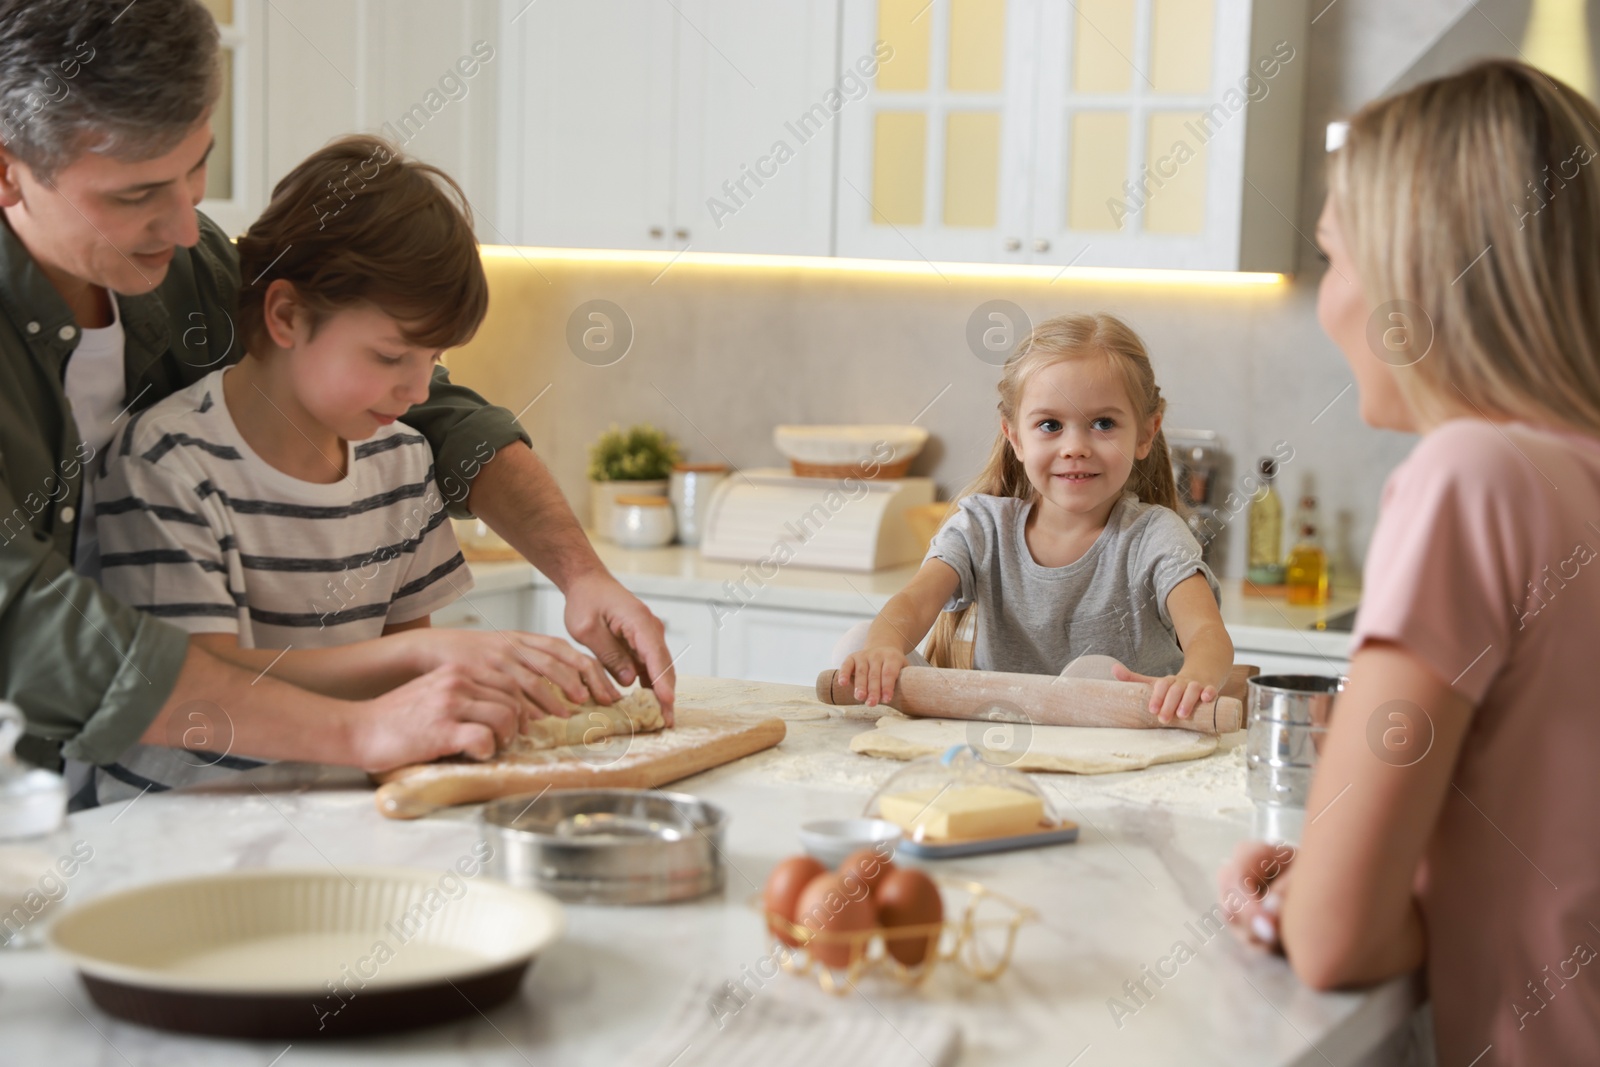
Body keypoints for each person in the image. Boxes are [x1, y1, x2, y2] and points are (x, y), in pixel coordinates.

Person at [0, 0, 673, 783]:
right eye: (135, 195)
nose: (187, 226)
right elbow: (31, 625)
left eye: (197, 168)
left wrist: (579, 572)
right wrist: (365, 729)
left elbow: (420, 407)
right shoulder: (167, 462)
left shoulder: (185, 269)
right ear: (8, 169)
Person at [1217, 60, 1600, 1065]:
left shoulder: (1472, 477)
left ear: (1411, 277)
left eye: (1333, 258)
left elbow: (1338, 942)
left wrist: (1314, 895)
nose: (1329, 299)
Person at [78, 135, 620, 804]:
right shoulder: (167, 464)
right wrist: (426, 659)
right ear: (285, 315)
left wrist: (472, 697)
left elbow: (403, 692)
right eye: (390, 357)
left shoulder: (400, 459)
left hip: (335, 819)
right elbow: (198, 685)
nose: (420, 391)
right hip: (170, 836)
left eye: (433, 358)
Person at [835, 313, 1233, 723]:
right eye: (1050, 425)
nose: (1075, 446)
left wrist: (1194, 678)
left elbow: (1206, 633)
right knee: (859, 642)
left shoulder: (1155, 536)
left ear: (1147, 433)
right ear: (1015, 437)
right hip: (998, 735)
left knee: (1097, 674)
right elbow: (915, 602)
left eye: (1103, 423)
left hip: (1119, 742)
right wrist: (884, 646)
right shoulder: (982, 527)